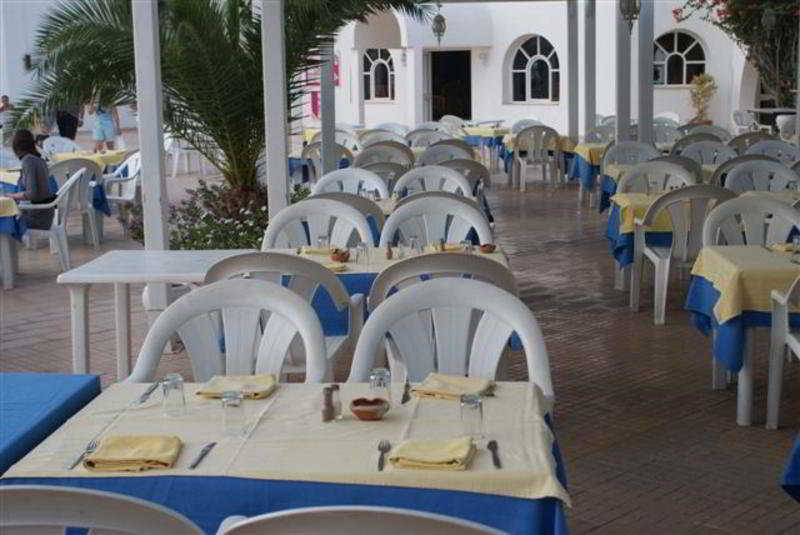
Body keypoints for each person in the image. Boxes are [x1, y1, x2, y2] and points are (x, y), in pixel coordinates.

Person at [7, 129, 55, 231]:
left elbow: (31, 194)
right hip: (46, 214)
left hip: (37, 217)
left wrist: (11, 196)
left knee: (5, 221)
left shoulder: (28, 161)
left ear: (16, 147)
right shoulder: (39, 159)